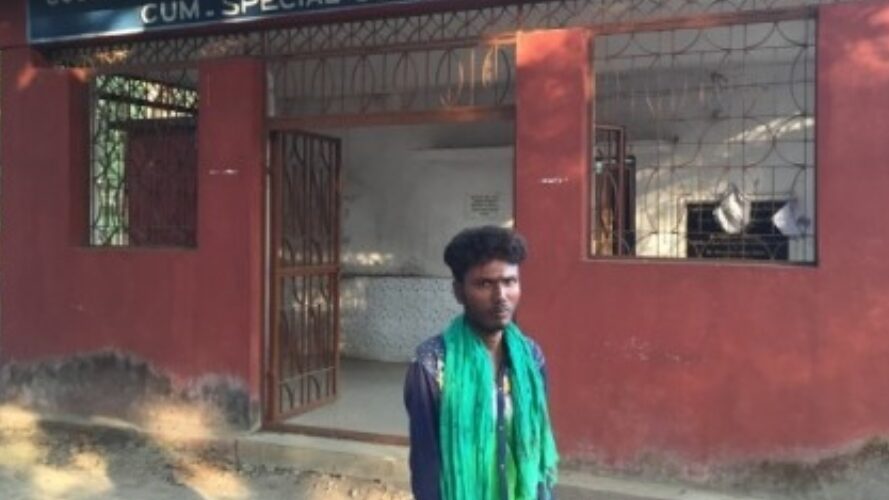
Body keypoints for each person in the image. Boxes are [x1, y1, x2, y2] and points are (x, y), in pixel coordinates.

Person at [403, 225, 559, 500]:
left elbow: (537, 445)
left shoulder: (531, 358)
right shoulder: (432, 364)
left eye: (510, 282)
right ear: (459, 292)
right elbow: (425, 465)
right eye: (485, 284)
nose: (501, 296)